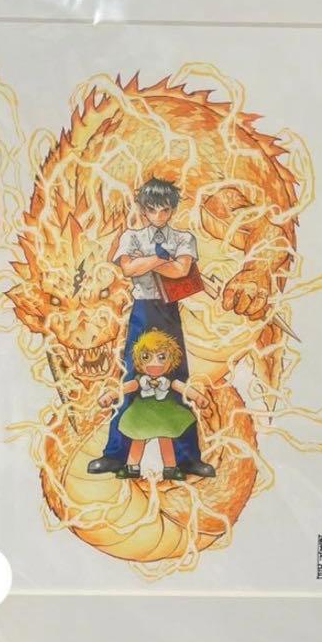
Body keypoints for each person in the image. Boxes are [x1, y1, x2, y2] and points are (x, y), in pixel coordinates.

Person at [86, 177, 217, 478]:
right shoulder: (131, 236)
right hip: (142, 310)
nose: (159, 216)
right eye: (153, 209)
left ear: (172, 209)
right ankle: (115, 455)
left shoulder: (183, 238)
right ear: (143, 209)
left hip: (169, 310)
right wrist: (160, 258)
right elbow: (128, 268)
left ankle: (187, 458)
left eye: (165, 210)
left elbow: (181, 270)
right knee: (132, 378)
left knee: (177, 378)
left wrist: (147, 262)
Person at [98, 329, 209, 479]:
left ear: (171, 360)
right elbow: (126, 387)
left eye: (162, 357)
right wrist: (110, 395)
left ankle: (170, 468)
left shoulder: (169, 381)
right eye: (146, 357)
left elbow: (183, 388)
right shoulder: (140, 380)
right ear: (139, 361)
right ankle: (132, 467)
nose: (154, 363)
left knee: (166, 438)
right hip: (141, 413)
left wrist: (198, 397)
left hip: (165, 413)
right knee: (138, 437)